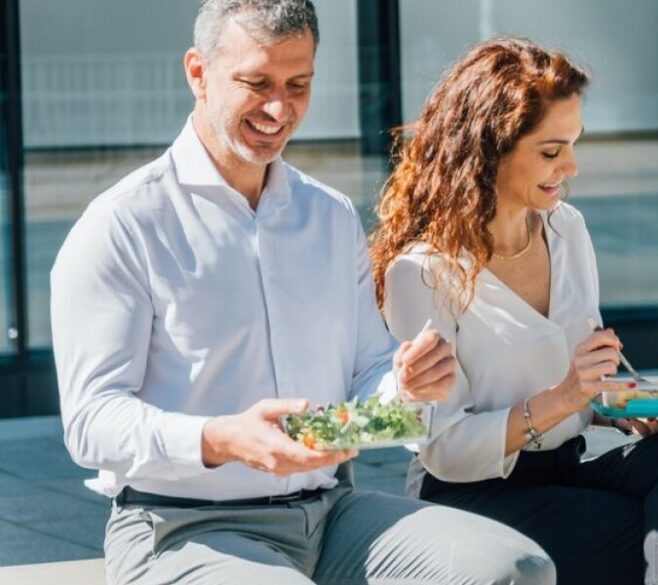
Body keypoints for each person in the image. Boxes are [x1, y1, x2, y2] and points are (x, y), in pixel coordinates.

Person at [50, 2, 554, 584]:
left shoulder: (330, 217)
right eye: (256, 83)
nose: (278, 108)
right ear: (198, 72)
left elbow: (369, 382)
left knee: (515, 568)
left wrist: (405, 390)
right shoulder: (123, 224)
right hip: (180, 527)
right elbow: (90, 423)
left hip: (331, 513)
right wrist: (221, 438)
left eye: (298, 85)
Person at [369, 37, 658, 585]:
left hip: (565, 467)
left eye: (573, 145)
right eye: (551, 152)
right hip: (474, 495)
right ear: (489, 150)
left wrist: (630, 405)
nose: (570, 167)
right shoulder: (424, 273)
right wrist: (564, 397)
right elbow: (446, 450)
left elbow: (585, 386)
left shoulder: (566, 230)